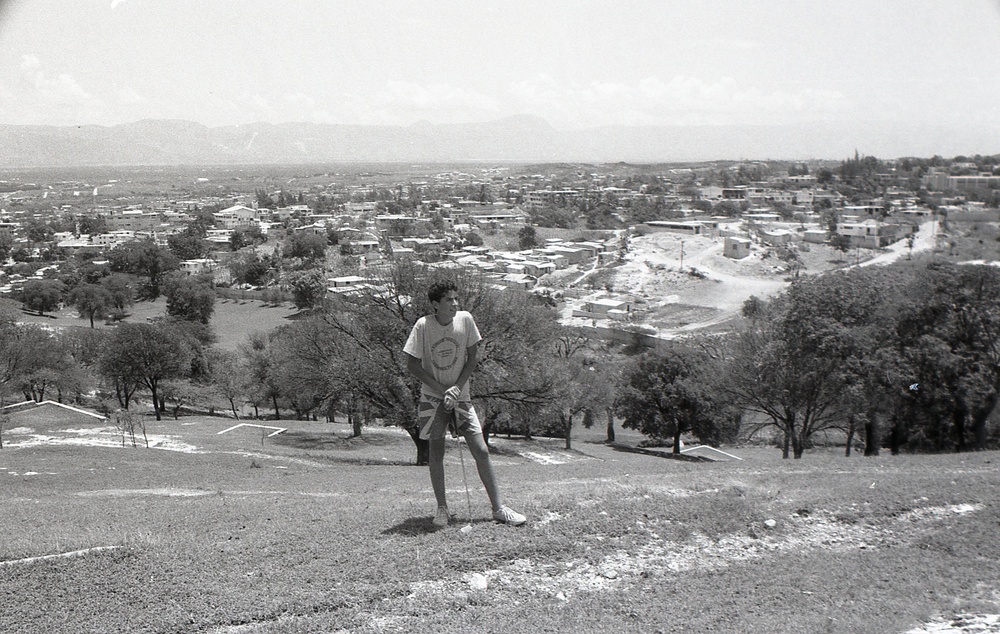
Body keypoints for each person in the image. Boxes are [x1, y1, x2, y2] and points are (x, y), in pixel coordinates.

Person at [403, 280, 526, 528]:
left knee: (481, 450)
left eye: (456, 299)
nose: (455, 304)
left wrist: (456, 388)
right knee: (436, 453)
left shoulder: (466, 319)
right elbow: (412, 365)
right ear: (435, 304)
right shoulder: (423, 326)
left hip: (462, 396)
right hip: (432, 397)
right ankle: (442, 510)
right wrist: (442, 390)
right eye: (449, 300)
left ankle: (499, 509)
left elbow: (472, 358)